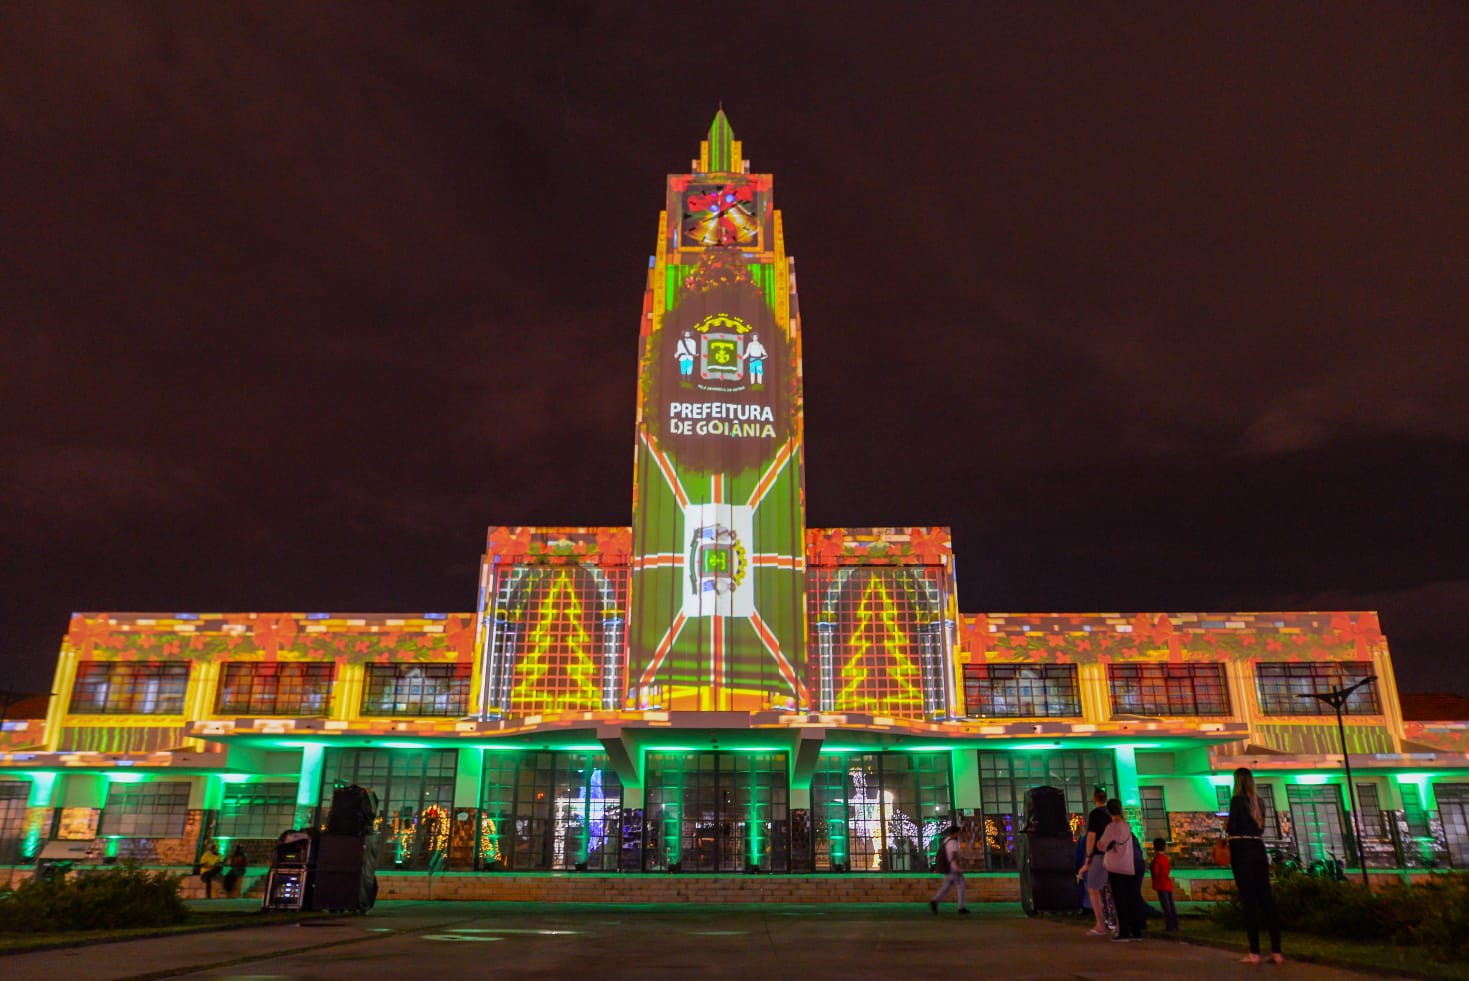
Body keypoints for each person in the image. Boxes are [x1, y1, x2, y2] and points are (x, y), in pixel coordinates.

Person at [1228, 767, 1284, 964]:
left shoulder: (1236, 801)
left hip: (1242, 850)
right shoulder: (1260, 802)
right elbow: (1261, 827)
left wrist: (1225, 823)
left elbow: (1232, 827)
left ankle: (1254, 952)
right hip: (1258, 849)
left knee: (1249, 902)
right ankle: (1277, 951)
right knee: (1266, 900)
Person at [1098, 799, 1143, 941]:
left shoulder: (1112, 827)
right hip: (1128, 865)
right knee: (1131, 899)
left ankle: (1124, 931)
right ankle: (1136, 931)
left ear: (1109, 811)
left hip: (1115, 867)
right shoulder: (1126, 826)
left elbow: (1101, 845)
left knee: (1120, 899)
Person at [1078, 786, 1111, 936]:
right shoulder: (1111, 814)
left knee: (1093, 889)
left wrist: (1087, 858)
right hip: (1114, 856)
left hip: (1099, 856)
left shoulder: (1095, 814)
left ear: (1094, 799)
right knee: (1111, 890)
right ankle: (1115, 923)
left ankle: (1100, 924)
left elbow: (1091, 837)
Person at [927, 825, 970, 914]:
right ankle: (961, 907)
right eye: (958, 832)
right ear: (956, 833)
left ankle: (935, 901)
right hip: (953, 868)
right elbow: (953, 857)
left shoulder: (946, 840)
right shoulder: (953, 842)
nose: (959, 834)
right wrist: (958, 868)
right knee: (961, 886)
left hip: (947, 868)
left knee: (946, 887)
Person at [1151, 838, 1179, 932]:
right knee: (1171, 905)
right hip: (1167, 884)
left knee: (1166, 907)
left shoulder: (1157, 859)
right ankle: (1175, 924)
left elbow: (1155, 871)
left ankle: (1169, 926)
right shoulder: (1166, 858)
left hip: (1161, 885)